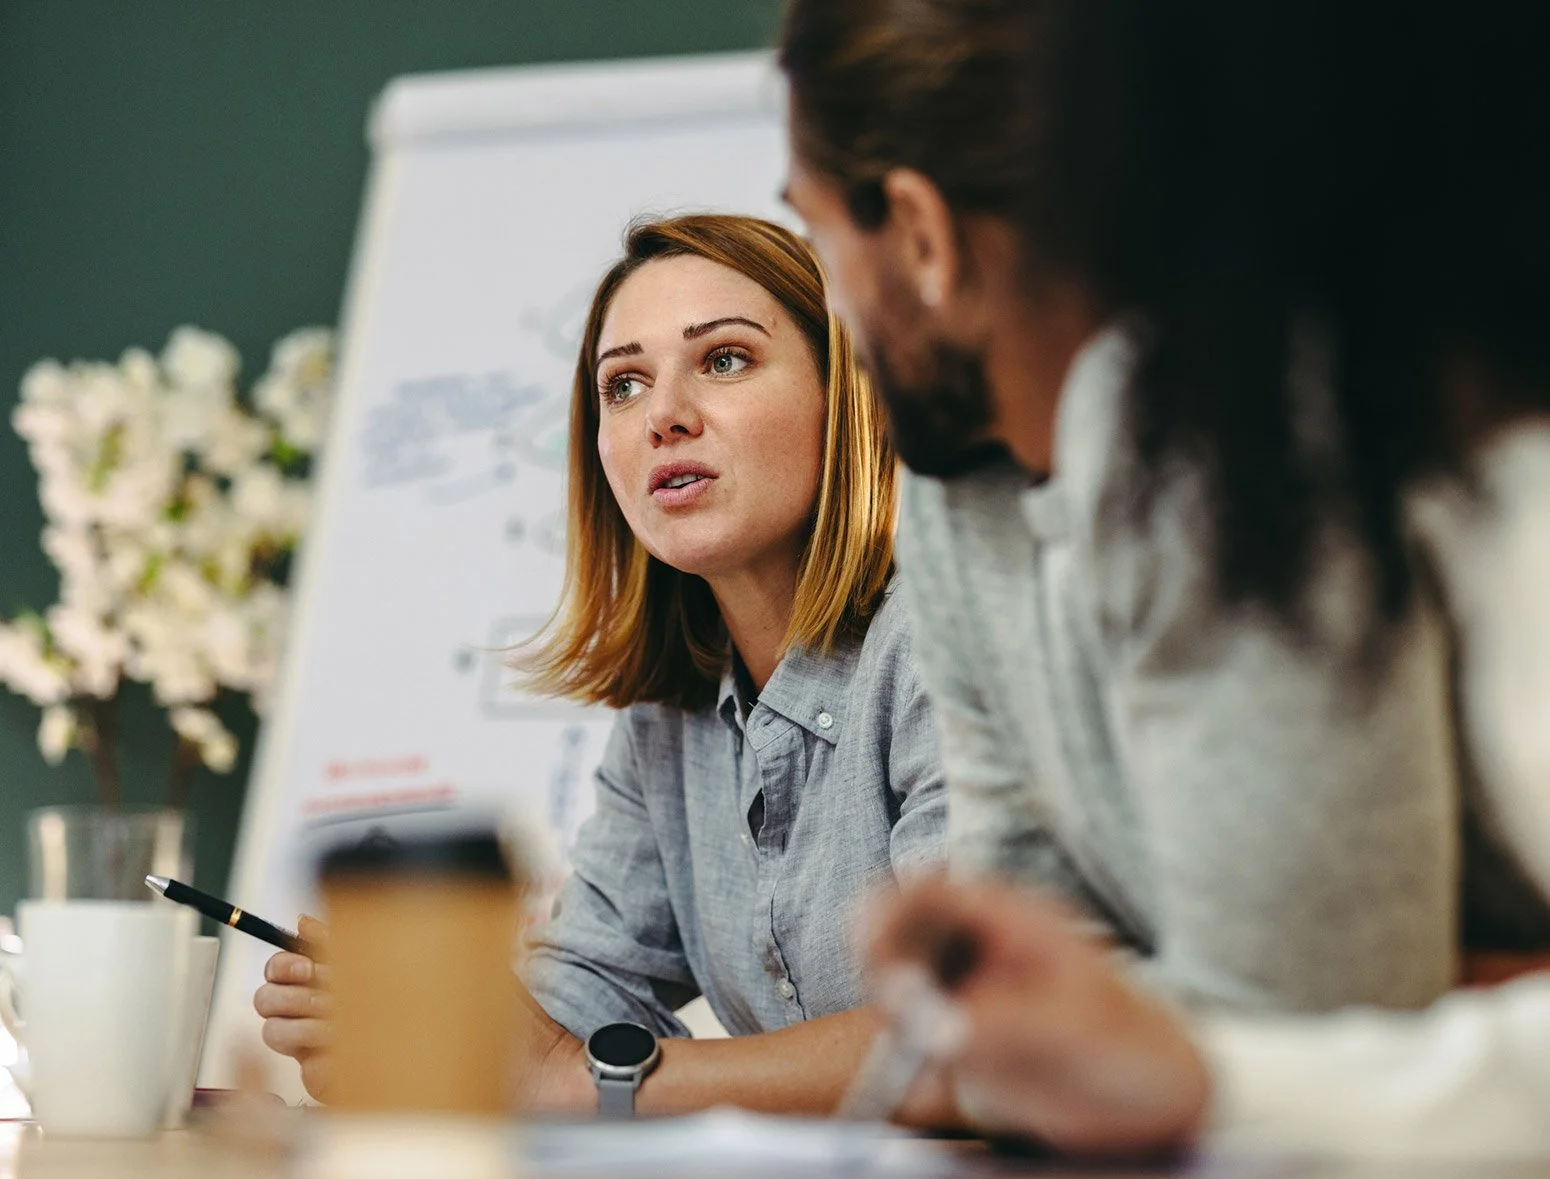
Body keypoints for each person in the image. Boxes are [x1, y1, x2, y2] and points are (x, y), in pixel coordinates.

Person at [778, 0, 1550, 1157]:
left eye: (817, 239)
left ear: (923, 236)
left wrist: (1204, 1047)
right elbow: (1010, 1016)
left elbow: (1321, 1007)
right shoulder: (952, 497)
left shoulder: (1242, 439)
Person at [254, 214, 950, 1118]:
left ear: (847, 395)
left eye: (726, 360)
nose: (664, 416)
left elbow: (978, 1034)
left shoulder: (948, 644)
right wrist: (428, 1044)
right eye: (623, 385)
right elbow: (589, 991)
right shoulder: (674, 711)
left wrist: (575, 1078)